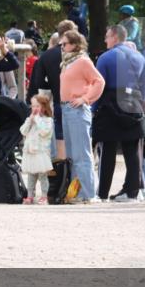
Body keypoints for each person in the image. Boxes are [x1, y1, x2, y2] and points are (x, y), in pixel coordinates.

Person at [94, 24, 145, 202]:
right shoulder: (140, 57)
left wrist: (93, 109)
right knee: (132, 150)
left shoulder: (105, 57)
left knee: (107, 151)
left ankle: (101, 193)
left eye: (107, 36)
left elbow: (99, 85)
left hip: (110, 103)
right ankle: (132, 192)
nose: (105, 40)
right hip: (133, 103)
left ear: (115, 37)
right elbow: (144, 86)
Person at [58, 30, 105, 203]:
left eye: (65, 44)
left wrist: (85, 98)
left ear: (75, 45)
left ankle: (89, 193)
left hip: (76, 109)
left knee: (82, 154)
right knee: (72, 154)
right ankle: (76, 192)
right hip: (67, 109)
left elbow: (99, 81)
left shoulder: (83, 61)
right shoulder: (67, 62)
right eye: (61, 44)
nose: (62, 47)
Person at [30, 20, 78, 159]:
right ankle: (75, 175)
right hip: (78, 102)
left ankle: (62, 172)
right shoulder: (80, 55)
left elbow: (39, 82)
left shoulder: (46, 56)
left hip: (58, 101)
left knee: (60, 137)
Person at [20, 95, 55, 204]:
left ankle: (44, 196)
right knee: (31, 175)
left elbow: (45, 132)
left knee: (42, 175)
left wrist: (37, 120)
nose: (34, 108)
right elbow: (23, 131)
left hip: (41, 153)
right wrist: (29, 121)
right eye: (33, 106)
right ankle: (30, 196)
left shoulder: (47, 120)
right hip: (30, 152)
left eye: (37, 106)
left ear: (44, 107)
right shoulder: (30, 119)